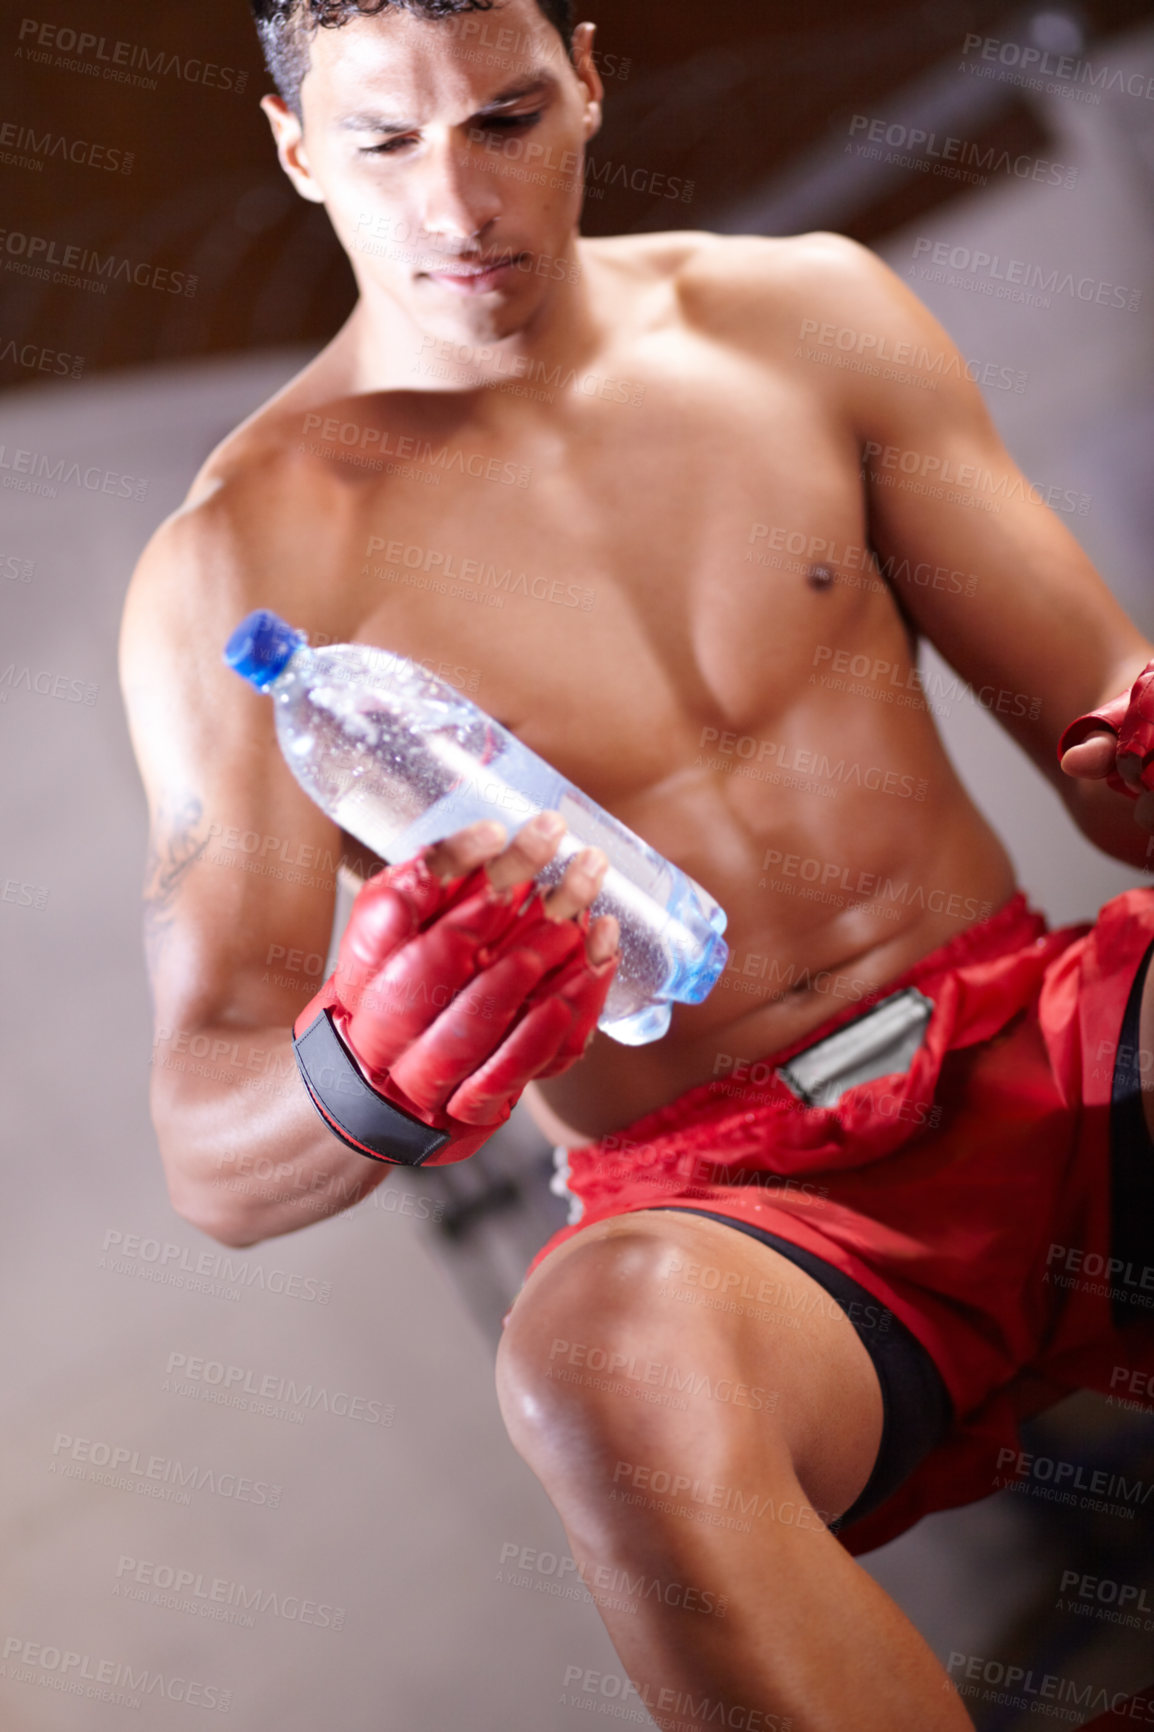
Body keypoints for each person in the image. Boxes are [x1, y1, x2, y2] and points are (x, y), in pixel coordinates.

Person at [117, 1, 1154, 1725]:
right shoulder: (241, 569)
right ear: (297, 152)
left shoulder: (808, 320)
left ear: (589, 78)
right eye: (384, 143)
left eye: (505, 117)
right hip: (746, 1217)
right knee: (600, 1366)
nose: (458, 205)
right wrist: (361, 1072)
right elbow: (209, 1152)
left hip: (1031, 1032)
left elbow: (1108, 762)